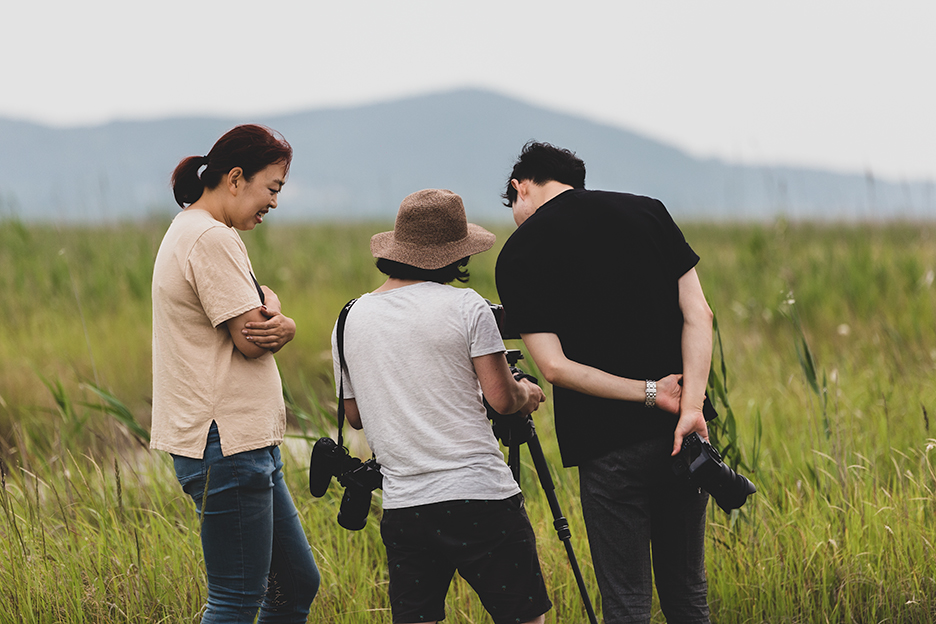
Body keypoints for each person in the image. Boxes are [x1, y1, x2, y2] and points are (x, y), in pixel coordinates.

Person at [495, 142, 714, 624]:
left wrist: (651, 393)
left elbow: (553, 368)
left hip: (606, 446)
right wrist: (690, 406)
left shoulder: (519, 253)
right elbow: (699, 314)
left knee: (627, 603)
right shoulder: (648, 211)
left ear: (520, 187)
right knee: (689, 597)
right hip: (686, 434)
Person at [332, 188, 553, 624]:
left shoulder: (349, 317)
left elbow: (355, 416)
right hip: (481, 499)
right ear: (456, 255)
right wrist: (528, 392)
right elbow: (502, 399)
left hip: (405, 507)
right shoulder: (467, 306)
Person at [151, 124, 320, 623]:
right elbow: (251, 338)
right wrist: (278, 316)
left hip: (242, 444)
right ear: (236, 177)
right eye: (272, 189)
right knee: (236, 598)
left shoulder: (193, 230)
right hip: (226, 445)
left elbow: (248, 321)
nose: (272, 203)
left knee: (294, 583)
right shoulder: (209, 236)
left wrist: (269, 309)